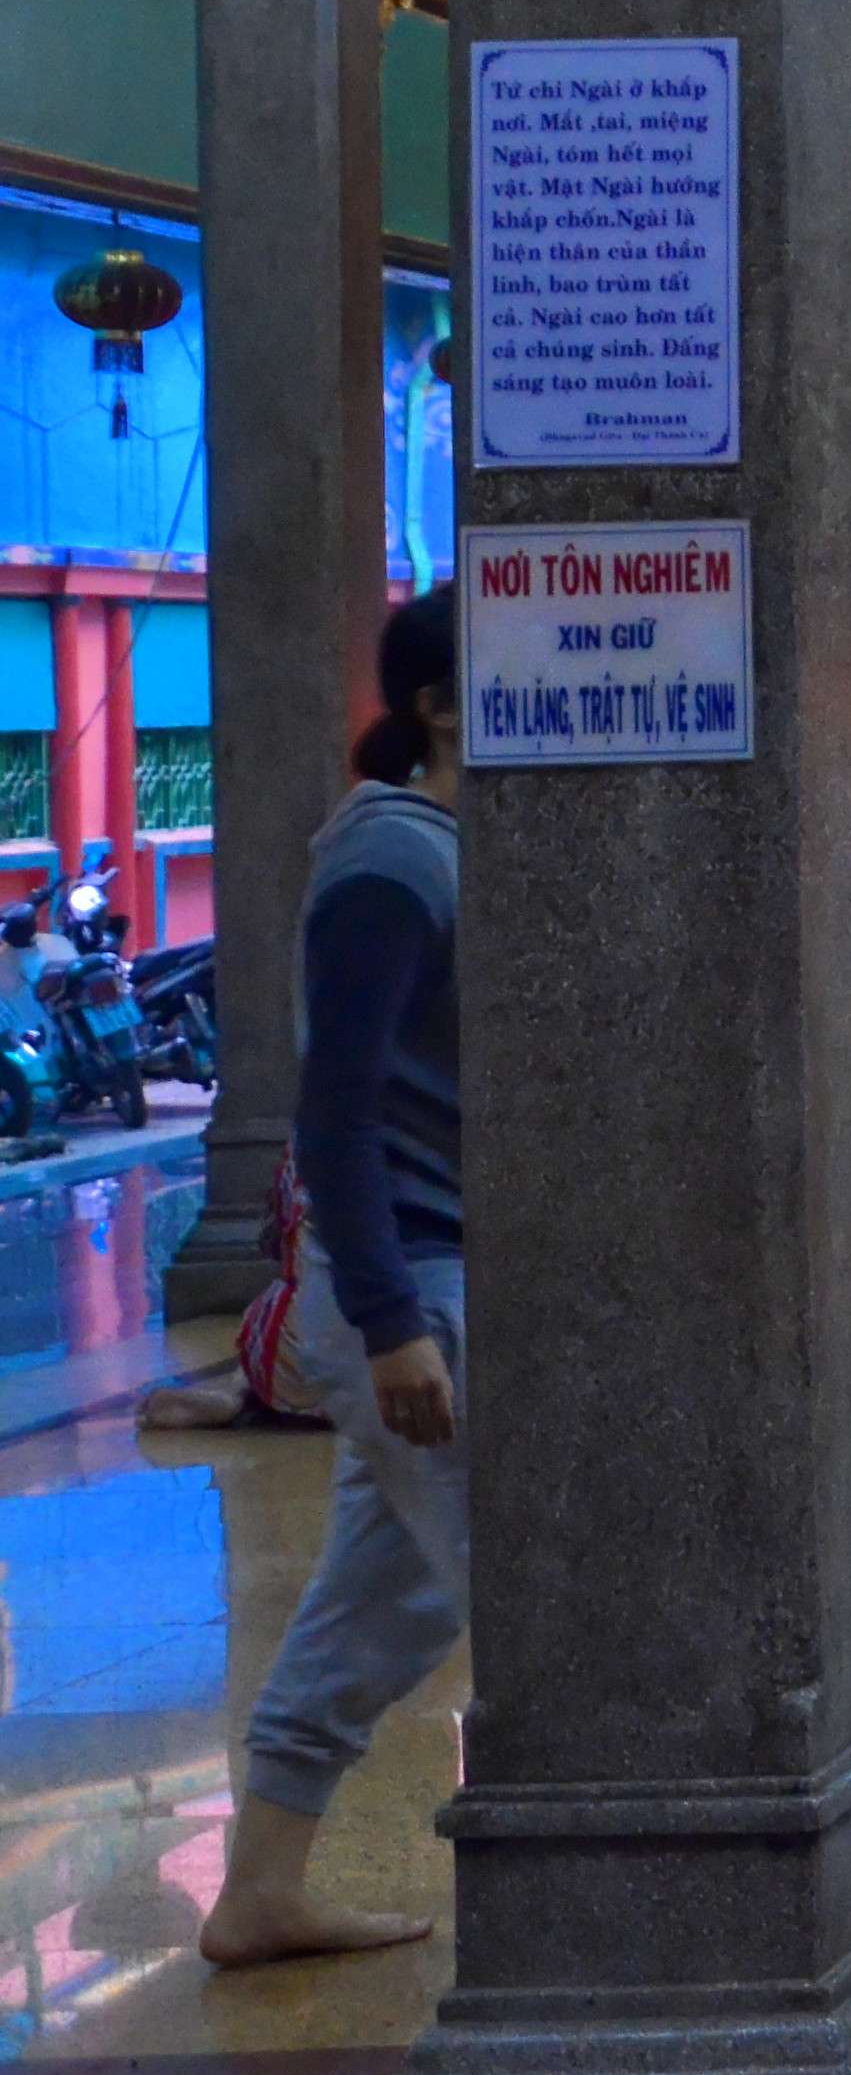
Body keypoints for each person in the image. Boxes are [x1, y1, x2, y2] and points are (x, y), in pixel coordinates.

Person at [198, 584, 463, 1969]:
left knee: (384, 1596)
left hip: (435, 1288)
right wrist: (391, 1318)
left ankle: (260, 1888)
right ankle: (616, 1906)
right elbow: (336, 1111)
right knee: (538, 1584)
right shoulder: (390, 867)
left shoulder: (439, 852)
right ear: (436, 707)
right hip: (421, 1295)